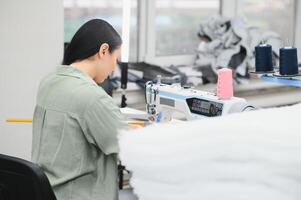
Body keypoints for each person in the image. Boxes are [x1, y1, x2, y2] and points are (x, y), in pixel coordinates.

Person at [31, 19, 125, 200]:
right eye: (116, 59)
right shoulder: (91, 97)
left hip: (50, 192)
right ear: (103, 50)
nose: (114, 68)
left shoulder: (48, 82)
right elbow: (131, 146)